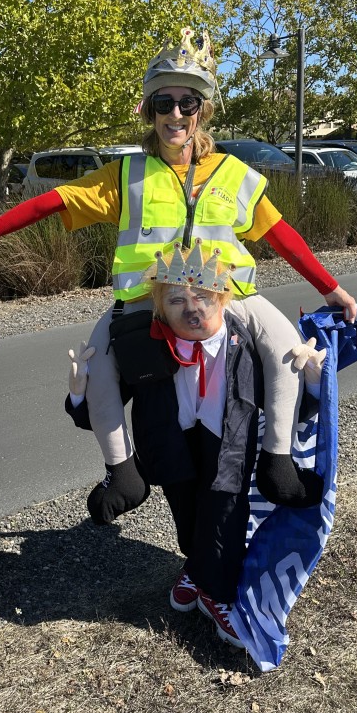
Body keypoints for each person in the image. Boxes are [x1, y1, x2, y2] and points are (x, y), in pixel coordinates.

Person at [0, 26, 356, 520]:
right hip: (145, 302)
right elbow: (52, 201)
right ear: (148, 111)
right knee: (96, 367)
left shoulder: (234, 174)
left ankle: (277, 464)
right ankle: (123, 472)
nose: (176, 114)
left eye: (187, 103)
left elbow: (281, 235)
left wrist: (332, 288)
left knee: (285, 348)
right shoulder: (125, 175)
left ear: (202, 111)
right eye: (164, 103)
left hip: (229, 297)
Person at [67, 242, 328, 649]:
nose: (193, 310)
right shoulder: (148, 344)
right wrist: (79, 393)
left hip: (229, 440)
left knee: (225, 516)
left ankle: (217, 594)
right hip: (171, 441)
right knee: (186, 513)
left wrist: (311, 381)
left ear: (222, 298)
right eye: (177, 301)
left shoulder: (244, 342)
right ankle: (196, 566)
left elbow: (285, 400)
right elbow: (105, 407)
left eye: (203, 297)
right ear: (160, 309)